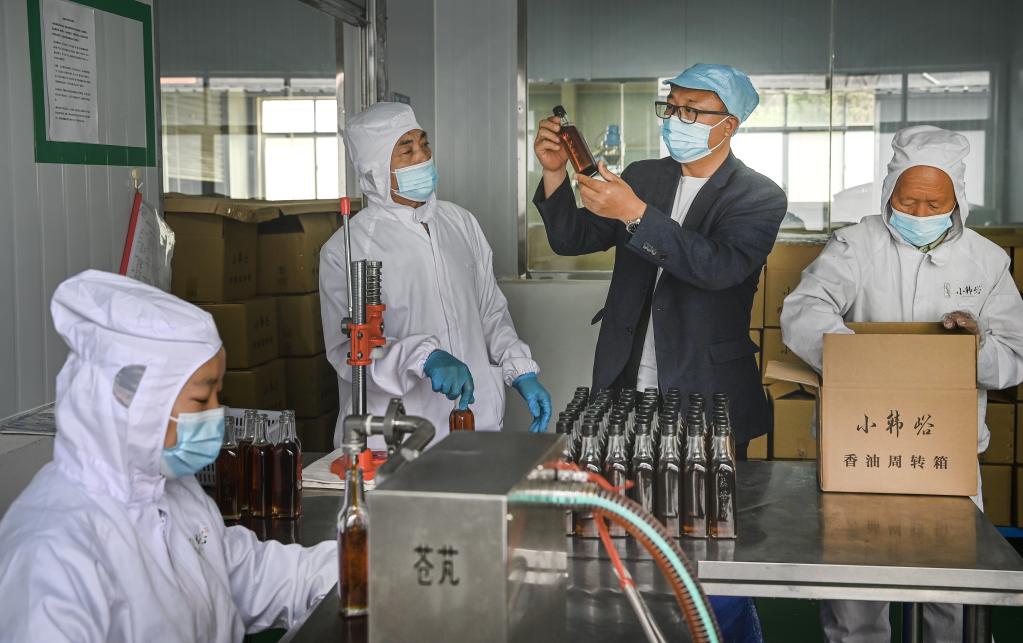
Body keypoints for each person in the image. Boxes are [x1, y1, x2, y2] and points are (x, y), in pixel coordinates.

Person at [534, 62, 785, 643]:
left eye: (693, 110)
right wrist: (553, 175)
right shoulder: (645, 175)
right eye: (671, 108)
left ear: (729, 124)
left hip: (706, 392)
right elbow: (573, 238)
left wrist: (635, 214)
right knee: (623, 529)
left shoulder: (758, 196)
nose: (677, 120)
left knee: (708, 544)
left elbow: (717, 268)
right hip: (625, 381)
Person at [781, 125, 1023, 643]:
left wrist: (974, 347)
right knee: (856, 590)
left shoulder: (986, 261)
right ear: (889, 191)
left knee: (953, 591)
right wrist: (864, 357)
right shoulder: (854, 245)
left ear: (957, 200)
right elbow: (804, 311)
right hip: (861, 444)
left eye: (933, 204)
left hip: (947, 453)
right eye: (907, 201)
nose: (918, 213)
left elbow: (1014, 356)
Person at [0, 270, 337, 642]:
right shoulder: (52, 553)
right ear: (136, 402)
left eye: (218, 396)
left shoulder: (174, 494)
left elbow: (257, 575)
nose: (217, 414)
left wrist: (365, 561)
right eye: (201, 399)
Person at [321, 102, 551, 446]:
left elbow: (490, 312)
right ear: (374, 167)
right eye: (407, 149)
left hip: (475, 425)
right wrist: (424, 358)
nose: (423, 156)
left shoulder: (460, 222)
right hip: (397, 437)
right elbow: (348, 352)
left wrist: (520, 370)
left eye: (424, 143)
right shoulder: (348, 248)